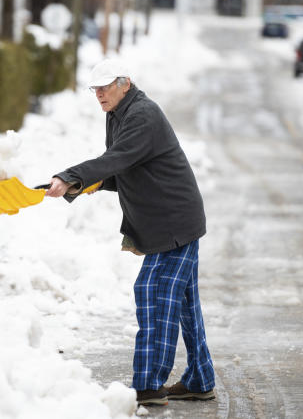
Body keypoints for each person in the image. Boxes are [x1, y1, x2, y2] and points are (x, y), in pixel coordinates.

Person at [45, 58, 215, 406]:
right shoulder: (119, 114)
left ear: (126, 82)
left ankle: (149, 385)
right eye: (95, 89)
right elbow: (124, 166)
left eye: (105, 87)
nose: (99, 95)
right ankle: (200, 378)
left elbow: (119, 158)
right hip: (168, 221)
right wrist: (87, 183)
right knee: (183, 303)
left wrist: (71, 175)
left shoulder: (142, 114)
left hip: (173, 222)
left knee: (151, 290)